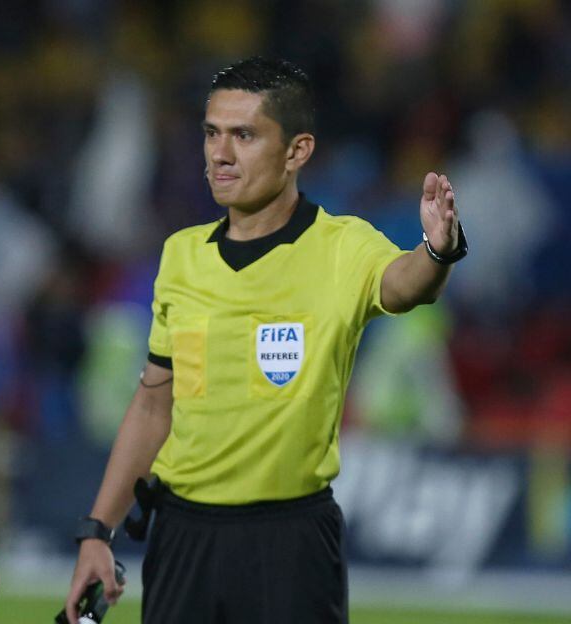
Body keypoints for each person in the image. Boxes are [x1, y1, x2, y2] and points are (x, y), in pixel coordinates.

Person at [64, 57, 465, 624]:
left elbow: (405, 286)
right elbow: (155, 404)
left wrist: (438, 250)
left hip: (292, 540)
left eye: (244, 135)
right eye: (212, 133)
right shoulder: (182, 255)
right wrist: (96, 532)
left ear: (297, 151)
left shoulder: (343, 246)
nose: (220, 154)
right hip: (183, 535)